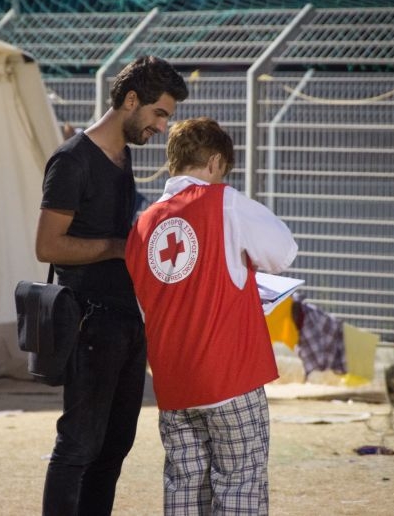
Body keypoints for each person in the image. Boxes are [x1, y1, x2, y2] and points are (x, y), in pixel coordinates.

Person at [35, 55, 188, 515]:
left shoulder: (122, 157)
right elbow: (47, 246)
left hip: (125, 321)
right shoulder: (72, 160)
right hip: (88, 324)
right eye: (159, 113)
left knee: (114, 447)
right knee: (78, 447)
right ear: (131, 100)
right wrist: (120, 247)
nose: (162, 127)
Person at [125, 117, 298, 514]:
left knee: (185, 489)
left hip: (173, 383)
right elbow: (283, 252)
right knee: (239, 486)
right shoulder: (226, 202)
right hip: (230, 376)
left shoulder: (143, 223)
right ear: (216, 162)